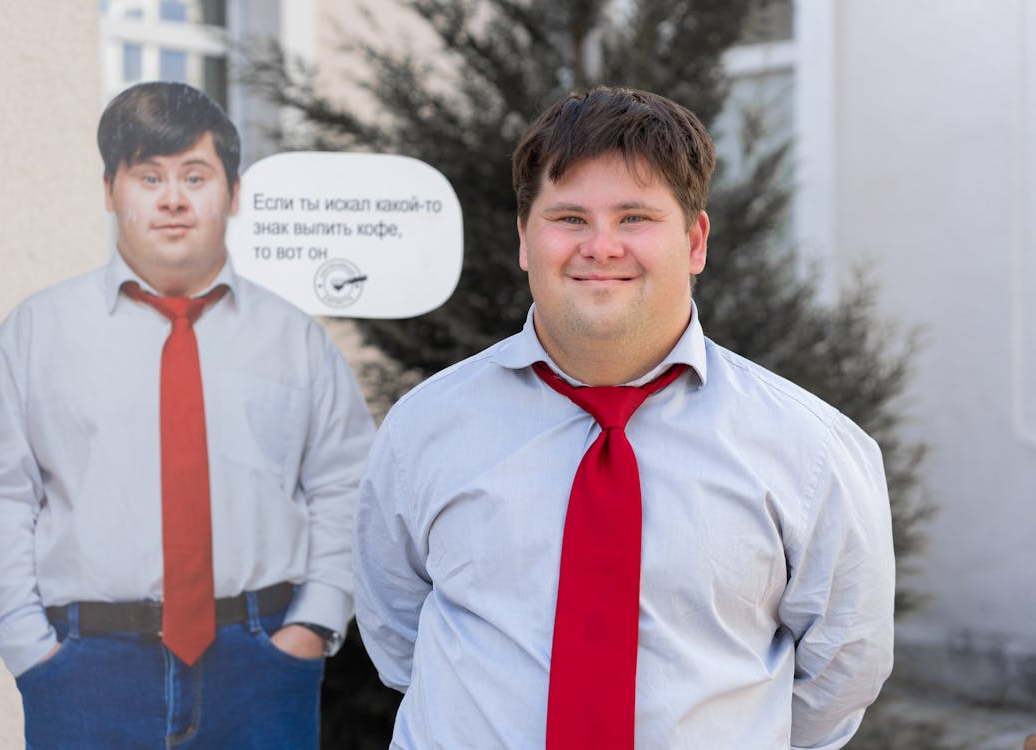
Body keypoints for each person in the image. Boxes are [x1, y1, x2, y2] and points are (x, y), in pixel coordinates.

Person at [353, 86, 895, 749]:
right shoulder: (423, 428)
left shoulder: (810, 449)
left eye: (635, 217)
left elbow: (840, 673)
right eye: (569, 218)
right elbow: (397, 632)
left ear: (694, 242)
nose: (600, 246)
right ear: (525, 239)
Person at [0, 81, 375, 749]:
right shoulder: (36, 333)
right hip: (86, 673)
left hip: (261, 667)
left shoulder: (295, 339)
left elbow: (347, 486)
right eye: (149, 176)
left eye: (195, 176)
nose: (173, 199)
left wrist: (312, 625)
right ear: (111, 189)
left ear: (232, 193)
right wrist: (29, 648)